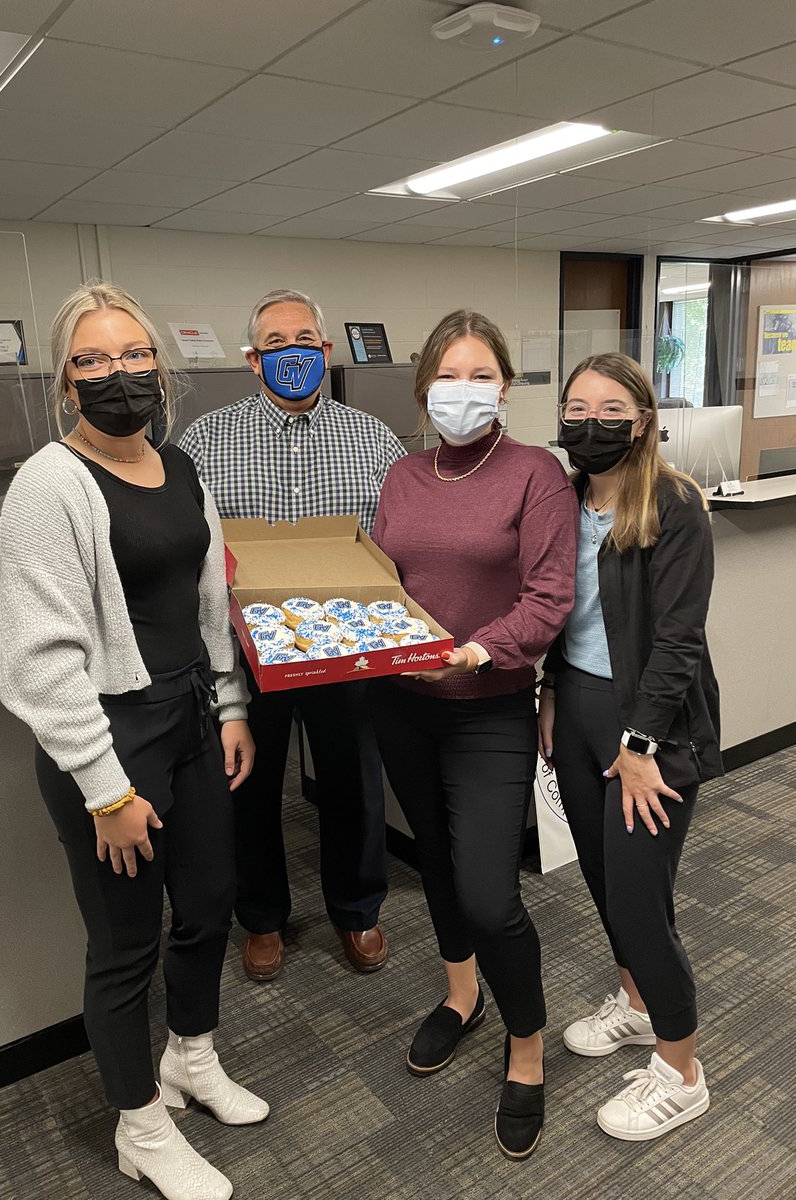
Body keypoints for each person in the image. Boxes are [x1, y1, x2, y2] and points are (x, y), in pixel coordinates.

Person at [0, 283, 266, 1200]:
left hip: (189, 715)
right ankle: (139, 1126)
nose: (119, 375)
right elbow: (40, 664)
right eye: (93, 360)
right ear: (66, 383)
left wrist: (230, 703)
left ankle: (192, 1057)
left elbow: (204, 604)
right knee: (124, 945)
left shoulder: (180, 464)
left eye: (133, 355)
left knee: (209, 904)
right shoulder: (49, 482)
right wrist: (107, 794)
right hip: (108, 737)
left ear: (161, 365)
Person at [369, 310, 578, 1160]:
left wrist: (477, 649)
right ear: (424, 388)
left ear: (504, 384)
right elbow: (385, 576)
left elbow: (549, 597)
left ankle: (525, 1047)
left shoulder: (537, 475)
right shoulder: (402, 473)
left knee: (492, 894)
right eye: (448, 375)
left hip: (489, 705)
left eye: (479, 374)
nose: (463, 390)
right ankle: (464, 998)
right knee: (439, 868)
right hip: (403, 705)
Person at [178, 288, 405, 982]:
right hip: (249, 651)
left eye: (305, 339)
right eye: (275, 344)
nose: (293, 353)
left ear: (328, 352)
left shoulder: (375, 437)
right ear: (252, 360)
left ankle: (357, 910)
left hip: (347, 644)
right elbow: (189, 546)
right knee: (250, 787)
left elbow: (397, 539)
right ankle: (263, 918)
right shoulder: (205, 439)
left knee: (353, 785)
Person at [537, 352, 722, 1142]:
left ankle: (682, 1072)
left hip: (650, 725)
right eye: (577, 408)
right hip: (576, 705)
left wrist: (640, 743)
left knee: (642, 905)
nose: (591, 423)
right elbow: (554, 606)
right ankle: (638, 1008)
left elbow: (678, 642)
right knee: (611, 887)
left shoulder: (674, 504)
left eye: (612, 409)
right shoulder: (565, 497)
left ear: (642, 419)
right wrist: (549, 691)